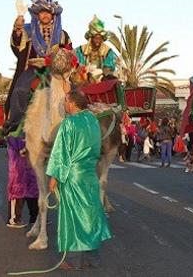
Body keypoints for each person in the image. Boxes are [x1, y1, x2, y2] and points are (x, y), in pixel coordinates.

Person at [46, 90, 112, 270]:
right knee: (91, 215)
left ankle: (73, 260)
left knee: (73, 217)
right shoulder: (93, 121)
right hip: (90, 175)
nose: (64, 105)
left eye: (65, 101)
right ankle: (93, 259)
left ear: (73, 103)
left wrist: (54, 177)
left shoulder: (69, 123)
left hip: (73, 177)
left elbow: (62, 154)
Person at [3, 0, 72, 135]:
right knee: (20, 90)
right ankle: (15, 124)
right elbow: (17, 44)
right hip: (33, 69)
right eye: (42, 12)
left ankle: (72, 122)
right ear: (37, 14)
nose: (45, 15)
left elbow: (69, 54)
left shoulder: (62, 34)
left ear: (52, 14)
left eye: (48, 12)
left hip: (56, 71)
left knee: (72, 91)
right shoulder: (28, 30)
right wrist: (19, 23)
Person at [74, 15, 118, 82]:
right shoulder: (81, 50)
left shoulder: (108, 51)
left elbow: (109, 68)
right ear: (91, 38)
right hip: (84, 80)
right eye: (96, 38)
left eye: (100, 38)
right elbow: (77, 64)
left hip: (102, 81)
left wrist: (101, 73)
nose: (98, 41)